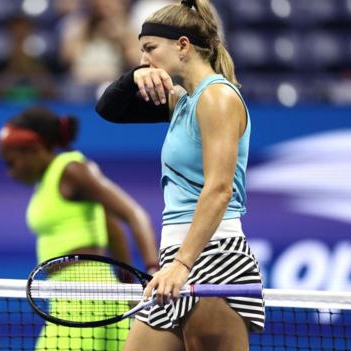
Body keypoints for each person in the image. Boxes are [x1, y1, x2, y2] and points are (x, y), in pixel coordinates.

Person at [95, 0, 265, 350]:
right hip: (178, 260)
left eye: (150, 49)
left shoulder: (217, 97)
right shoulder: (181, 100)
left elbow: (219, 190)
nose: (144, 58)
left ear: (183, 45)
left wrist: (182, 263)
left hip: (213, 256)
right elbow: (108, 109)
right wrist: (134, 77)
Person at [0, 106, 159, 350]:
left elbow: (134, 214)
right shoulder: (49, 180)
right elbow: (111, 227)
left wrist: (152, 269)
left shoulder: (70, 170)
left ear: (34, 149)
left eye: (11, 162)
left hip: (82, 296)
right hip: (89, 293)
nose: (10, 173)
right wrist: (125, 288)